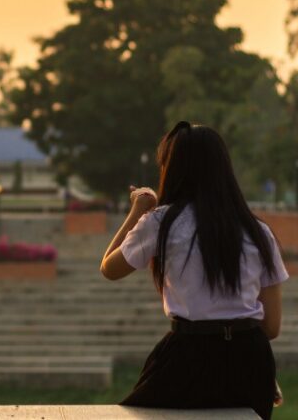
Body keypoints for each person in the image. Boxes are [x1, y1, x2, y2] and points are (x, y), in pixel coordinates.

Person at [100, 122, 288, 419]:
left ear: (173, 168)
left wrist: (139, 209)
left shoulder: (161, 222)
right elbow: (272, 328)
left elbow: (109, 268)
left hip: (186, 356)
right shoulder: (259, 232)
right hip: (251, 363)